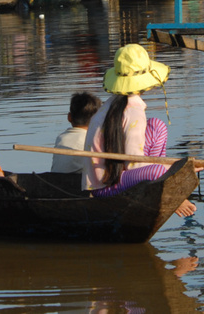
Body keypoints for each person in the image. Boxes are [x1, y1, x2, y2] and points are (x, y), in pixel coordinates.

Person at [82, 43, 197, 217]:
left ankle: (160, 184)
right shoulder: (133, 112)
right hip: (106, 186)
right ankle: (169, 193)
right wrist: (174, 169)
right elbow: (132, 163)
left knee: (157, 126)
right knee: (159, 171)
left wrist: (173, 168)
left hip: (121, 174)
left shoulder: (114, 103)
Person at [50, 92, 102, 173]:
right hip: (79, 182)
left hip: (56, 179)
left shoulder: (61, 138)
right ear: (97, 120)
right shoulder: (93, 140)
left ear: (69, 117)